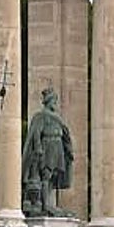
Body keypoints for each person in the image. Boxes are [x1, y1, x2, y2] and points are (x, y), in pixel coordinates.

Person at [21, 87, 74, 217]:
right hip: (48, 146)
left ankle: (50, 203)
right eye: (54, 101)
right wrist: (38, 148)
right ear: (48, 101)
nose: (55, 104)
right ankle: (46, 205)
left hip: (57, 147)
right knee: (46, 175)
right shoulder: (41, 116)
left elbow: (65, 133)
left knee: (53, 177)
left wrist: (68, 149)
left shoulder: (57, 117)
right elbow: (36, 134)